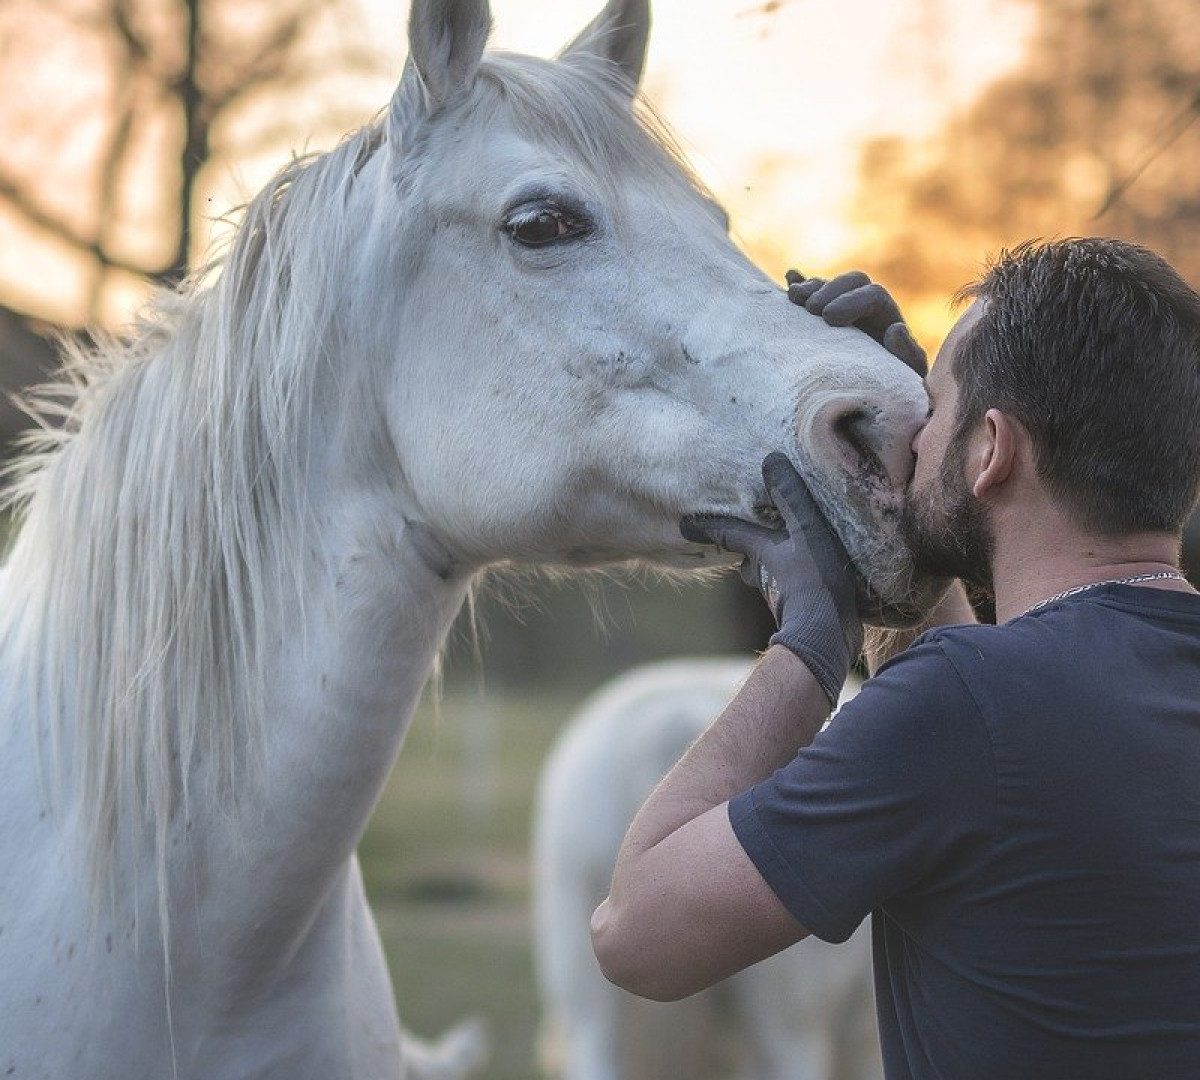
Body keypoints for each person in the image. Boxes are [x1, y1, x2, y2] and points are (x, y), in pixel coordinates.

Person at [590, 238, 1200, 1079]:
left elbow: (636, 935)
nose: (915, 437)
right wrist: (903, 525)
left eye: (934, 406)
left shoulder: (968, 707)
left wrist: (807, 648)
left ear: (992, 450)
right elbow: (988, 729)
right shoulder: (989, 708)